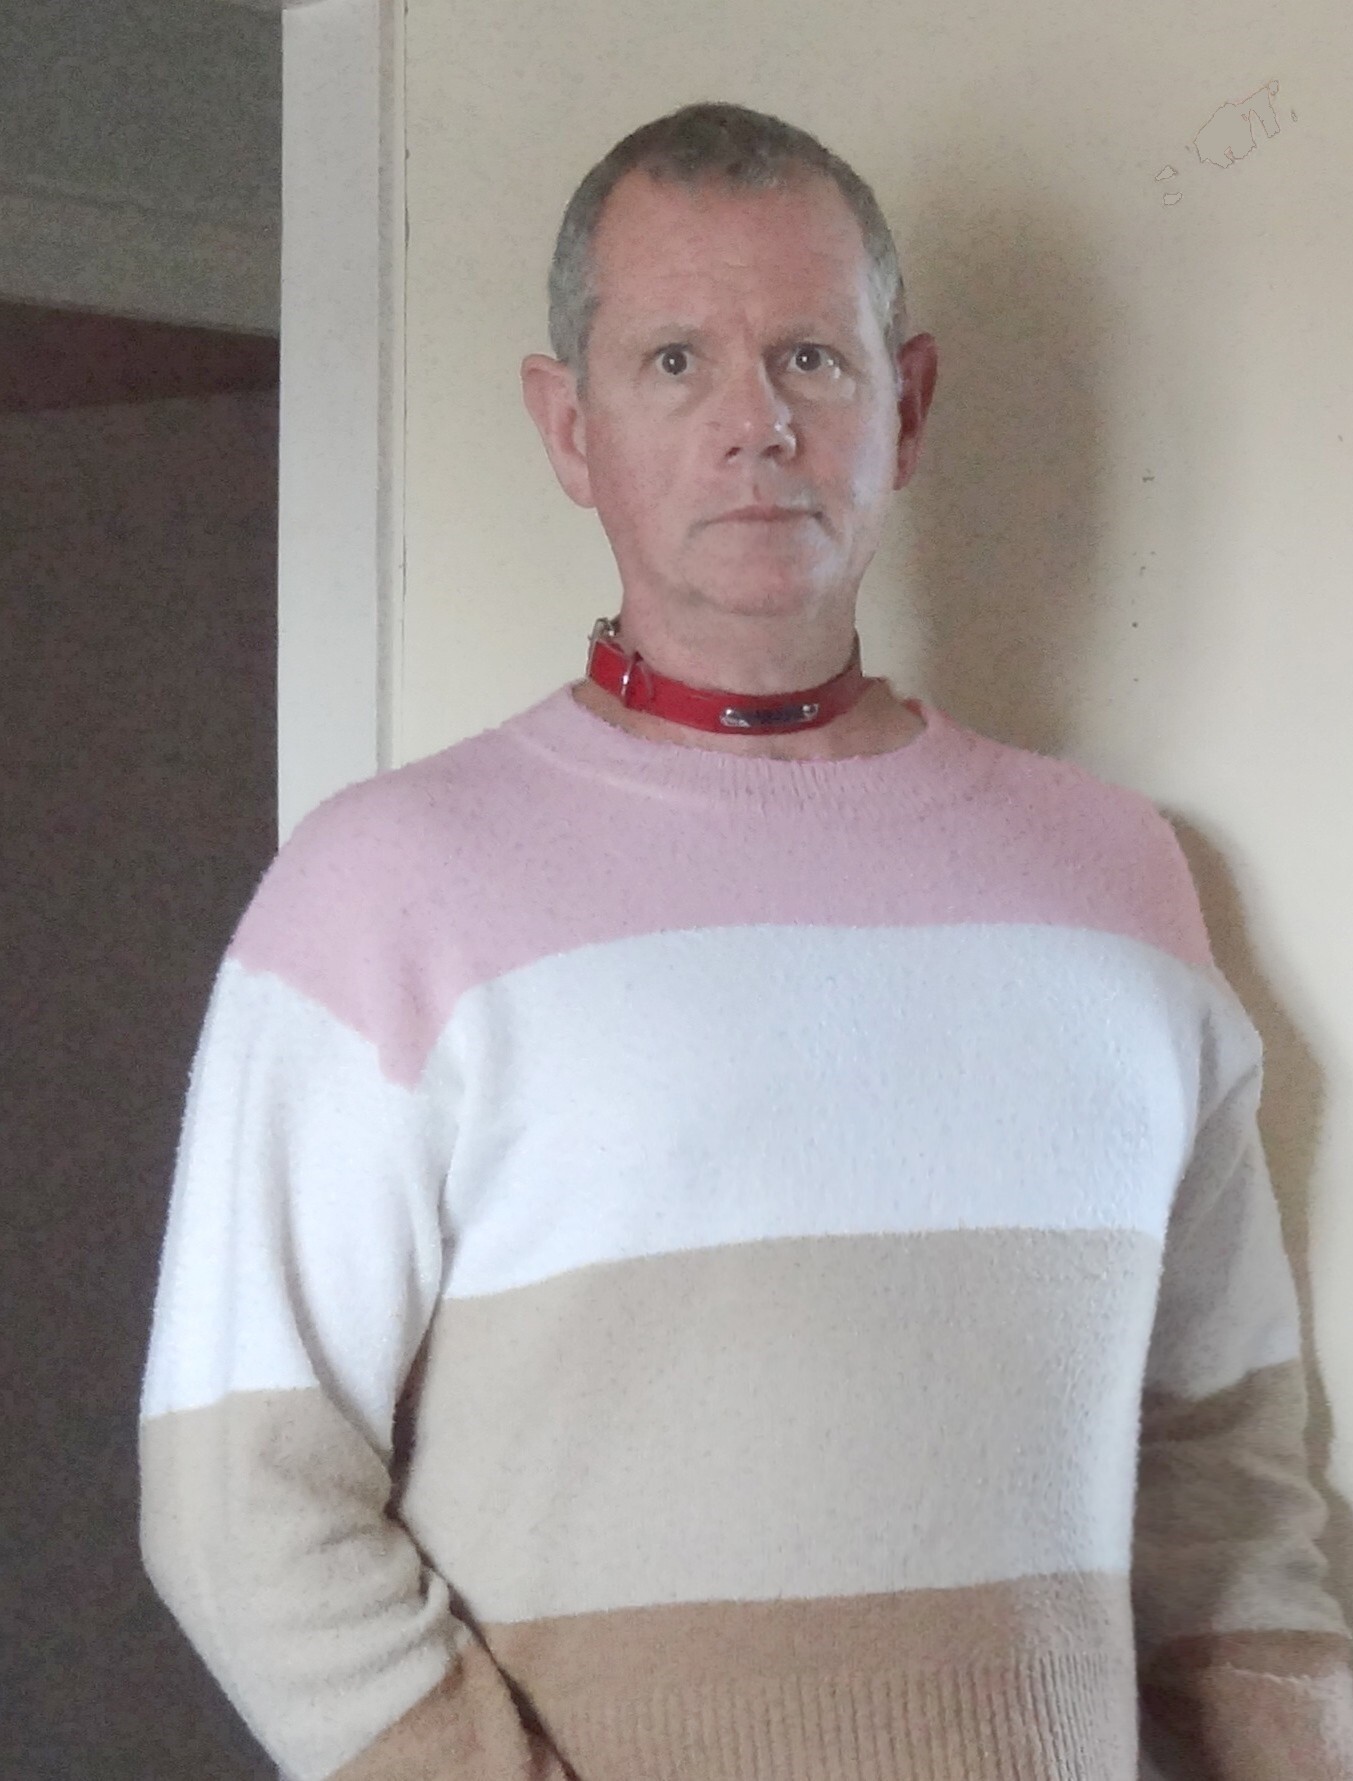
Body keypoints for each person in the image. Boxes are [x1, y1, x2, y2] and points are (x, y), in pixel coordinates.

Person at [140, 101, 1353, 1781]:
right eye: (672, 362)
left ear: (902, 404)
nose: (754, 424)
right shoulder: (384, 889)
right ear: (567, 426)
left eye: (809, 358)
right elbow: (238, 1499)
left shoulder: (1118, 880)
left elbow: (1226, 1469)